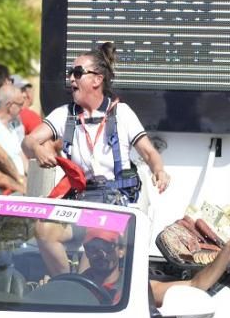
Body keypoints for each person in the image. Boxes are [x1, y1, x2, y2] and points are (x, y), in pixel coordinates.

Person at [22, 42, 169, 204]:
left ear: (97, 79)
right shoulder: (64, 114)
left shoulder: (122, 112)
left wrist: (159, 170)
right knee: (44, 228)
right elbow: (27, 141)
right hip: (80, 199)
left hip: (117, 202)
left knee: (101, 231)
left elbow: (149, 152)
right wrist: (36, 149)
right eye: (70, 73)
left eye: (77, 73)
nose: (71, 78)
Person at [77, 217, 230, 308]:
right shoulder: (75, 286)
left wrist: (227, 251)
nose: (99, 253)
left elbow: (196, 284)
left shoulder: (137, 289)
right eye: (93, 248)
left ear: (121, 250)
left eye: (106, 246)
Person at [0, 84, 27, 180]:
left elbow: (21, 156)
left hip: (22, 182)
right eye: (20, 104)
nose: (22, 108)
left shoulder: (12, 127)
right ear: (10, 105)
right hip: (9, 185)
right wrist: (20, 181)